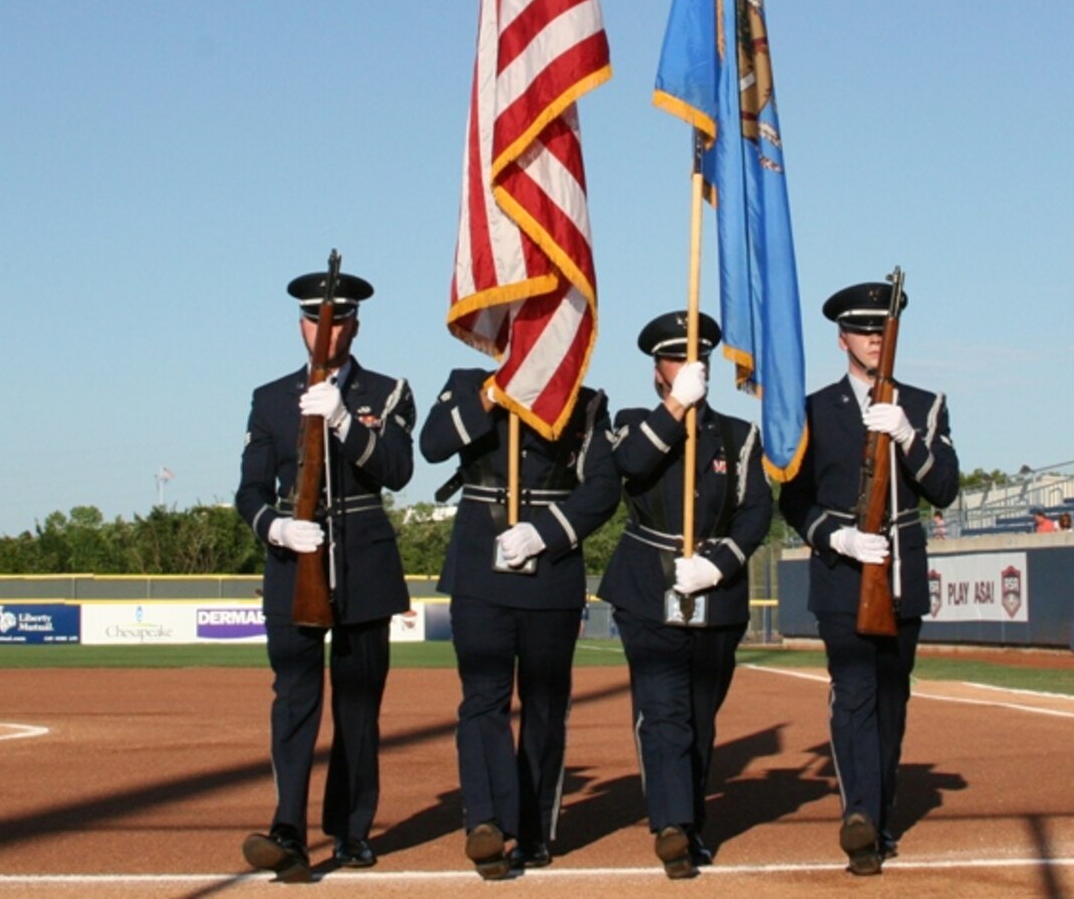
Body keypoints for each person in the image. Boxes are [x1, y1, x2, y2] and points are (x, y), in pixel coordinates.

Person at [238, 269, 416, 881]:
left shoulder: (387, 392)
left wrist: (343, 421)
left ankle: (351, 830)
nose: (325, 330)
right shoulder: (268, 398)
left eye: (337, 320)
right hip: (294, 562)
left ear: (354, 326)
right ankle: (288, 825)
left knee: (359, 707)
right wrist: (275, 527)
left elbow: (396, 470)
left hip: (363, 563)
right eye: (315, 319)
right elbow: (250, 490)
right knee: (293, 701)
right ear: (300, 325)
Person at [781, 280, 961, 876]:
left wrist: (909, 436)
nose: (874, 339)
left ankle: (878, 817)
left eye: (883, 329)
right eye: (863, 330)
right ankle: (858, 815)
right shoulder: (811, 409)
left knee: (890, 701)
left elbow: (945, 490)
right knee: (852, 694)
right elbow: (794, 500)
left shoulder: (926, 404)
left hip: (901, 578)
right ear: (842, 340)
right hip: (840, 574)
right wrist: (834, 536)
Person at [418, 358, 620, 876]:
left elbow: (601, 487)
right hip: (479, 565)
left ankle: (533, 831)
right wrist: (491, 395)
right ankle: (486, 823)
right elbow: (434, 444)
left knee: (545, 705)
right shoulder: (467, 383)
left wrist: (546, 532)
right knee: (482, 700)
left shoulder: (586, 399)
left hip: (550, 570)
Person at [603, 311, 773, 878]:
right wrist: (676, 408)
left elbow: (755, 512)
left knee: (701, 713)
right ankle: (672, 826)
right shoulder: (631, 421)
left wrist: (719, 564)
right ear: (658, 371)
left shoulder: (739, 435)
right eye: (676, 359)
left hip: (716, 591)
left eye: (696, 359)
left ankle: (689, 821)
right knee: (665, 709)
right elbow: (631, 465)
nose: (687, 367)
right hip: (647, 584)